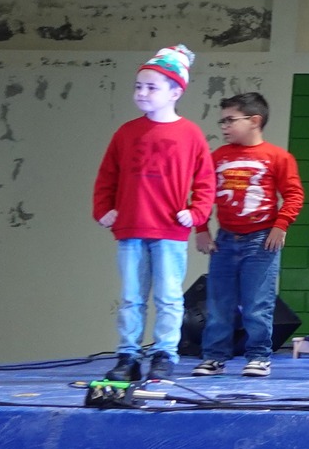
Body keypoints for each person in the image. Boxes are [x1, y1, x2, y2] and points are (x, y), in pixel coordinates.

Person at [93, 46, 216, 385]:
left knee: (168, 296)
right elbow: (107, 175)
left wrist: (197, 211)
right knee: (132, 296)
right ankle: (128, 355)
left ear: (175, 92)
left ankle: (164, 354)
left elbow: (205, 179)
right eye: (138, 86)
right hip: (130, 226)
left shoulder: (190, 134)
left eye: (151, 87)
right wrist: (103, 210)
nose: (142, 93)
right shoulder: (126, 132)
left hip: (169, 230)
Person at [192, 92, 303, 379]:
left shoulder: (278, 157)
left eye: (230, 120)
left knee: (258, 304)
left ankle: (258, 356)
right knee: (219, 304)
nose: (224, 127)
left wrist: (280, 226)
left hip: (261, 241)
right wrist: (201, 229)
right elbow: (202, 194)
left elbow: (293, 194)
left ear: (255, 120)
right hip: (226, 240)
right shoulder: (217, 157)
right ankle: (214, 357)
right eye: (222, 122)